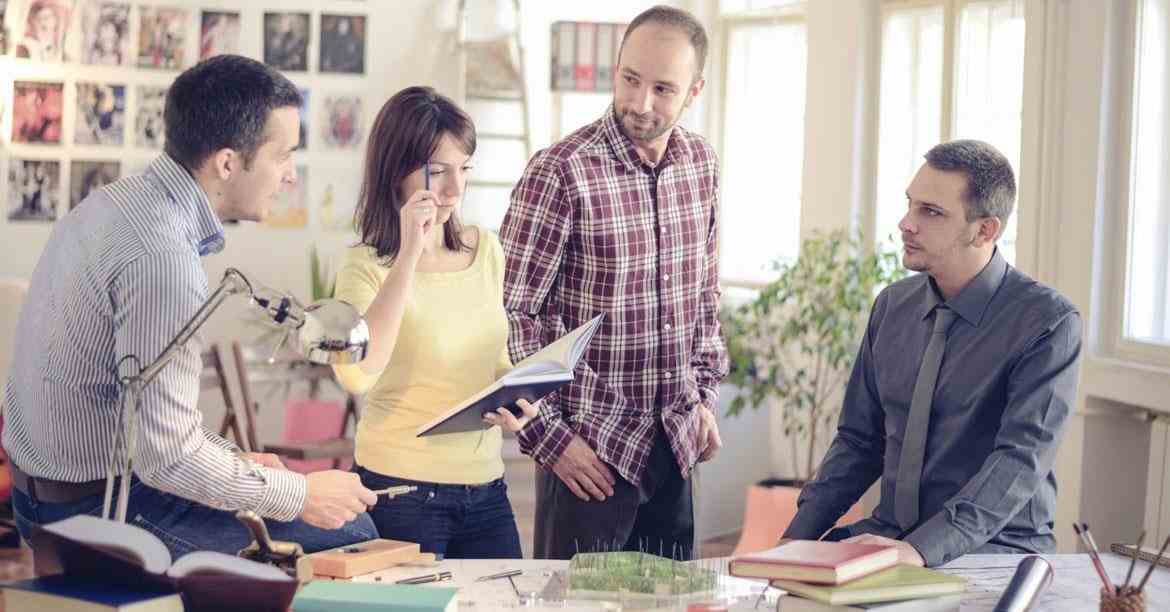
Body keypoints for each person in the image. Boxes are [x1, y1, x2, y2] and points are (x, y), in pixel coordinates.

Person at [3, 55, 378, 558]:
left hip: (40, 493)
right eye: (284, 156)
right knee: (355, 537)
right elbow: (168, 459)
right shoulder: (163, 259)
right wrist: (303, 494)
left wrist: (238, 460)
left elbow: (148, 418)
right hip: (95, 510)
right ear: (227, 164)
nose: (290, 176)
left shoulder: (110, 204)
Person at [496, 5, 728, 561]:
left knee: (673, 601)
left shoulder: (701, 165)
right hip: (589, 455)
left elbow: (704, 297)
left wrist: (703, 399)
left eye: (663, 89)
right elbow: (511, 315)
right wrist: (551, 441)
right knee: (575, 601)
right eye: (629, 79)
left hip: (675, 449)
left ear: (694, 92)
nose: (640, 103)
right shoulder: (559, 171)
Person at [782, 140, 1082, 568]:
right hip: (891, 536)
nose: (906, 223)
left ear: (985, 230)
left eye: (931, 212)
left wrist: (920, 550)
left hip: (993, 549)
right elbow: (859, 442)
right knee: (786, 592)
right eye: (910, 204)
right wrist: (792, 544)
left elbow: (1019, 461)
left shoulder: (1048, 323)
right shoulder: (893, 306)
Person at [332, 86, 527, 559]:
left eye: (464, 169)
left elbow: (495, 358)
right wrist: (409, 255)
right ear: (395, 172)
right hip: (401, 492)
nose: (455, 189)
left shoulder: (487, 250)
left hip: (486, 489)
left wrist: (516, 396)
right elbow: (357, 374)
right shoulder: (365, 266)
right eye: (438, 172)